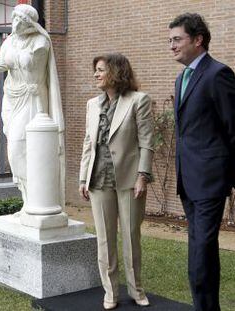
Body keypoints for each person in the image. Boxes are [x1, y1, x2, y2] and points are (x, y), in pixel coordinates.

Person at [168, 13, 235, 311]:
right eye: (170, 40)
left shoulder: (218, 74)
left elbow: (233, 128)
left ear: (198, 40)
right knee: (202, 253)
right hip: (188, 180)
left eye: (177, 39)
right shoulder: (181, 77)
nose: (171, 46)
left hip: (210, 180)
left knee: (200, 253)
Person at [79, 53, 153, 309]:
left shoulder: (138, 100)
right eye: (95, 70)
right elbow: (88, 143)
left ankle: (136, 290)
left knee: (131, 237)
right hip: (98, 180)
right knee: (104, 239)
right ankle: (110, 291)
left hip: (130, 180)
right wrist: (82, 177)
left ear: (116, 72)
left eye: (100, 70)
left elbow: (146, 141)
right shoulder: (92, 104)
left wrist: (143, 176)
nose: (96, 75)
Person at [0, 4, 65, 208]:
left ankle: (40, 198)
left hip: (32, 98)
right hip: (12, 98)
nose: (16, 23)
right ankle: (28, 201)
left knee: (21, 148)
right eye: (14, 18)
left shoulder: (41, 42)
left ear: (29, 23)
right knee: (16, 148)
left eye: (20, 20)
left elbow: (31, 67)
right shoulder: (9, 41)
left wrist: (14, 59)